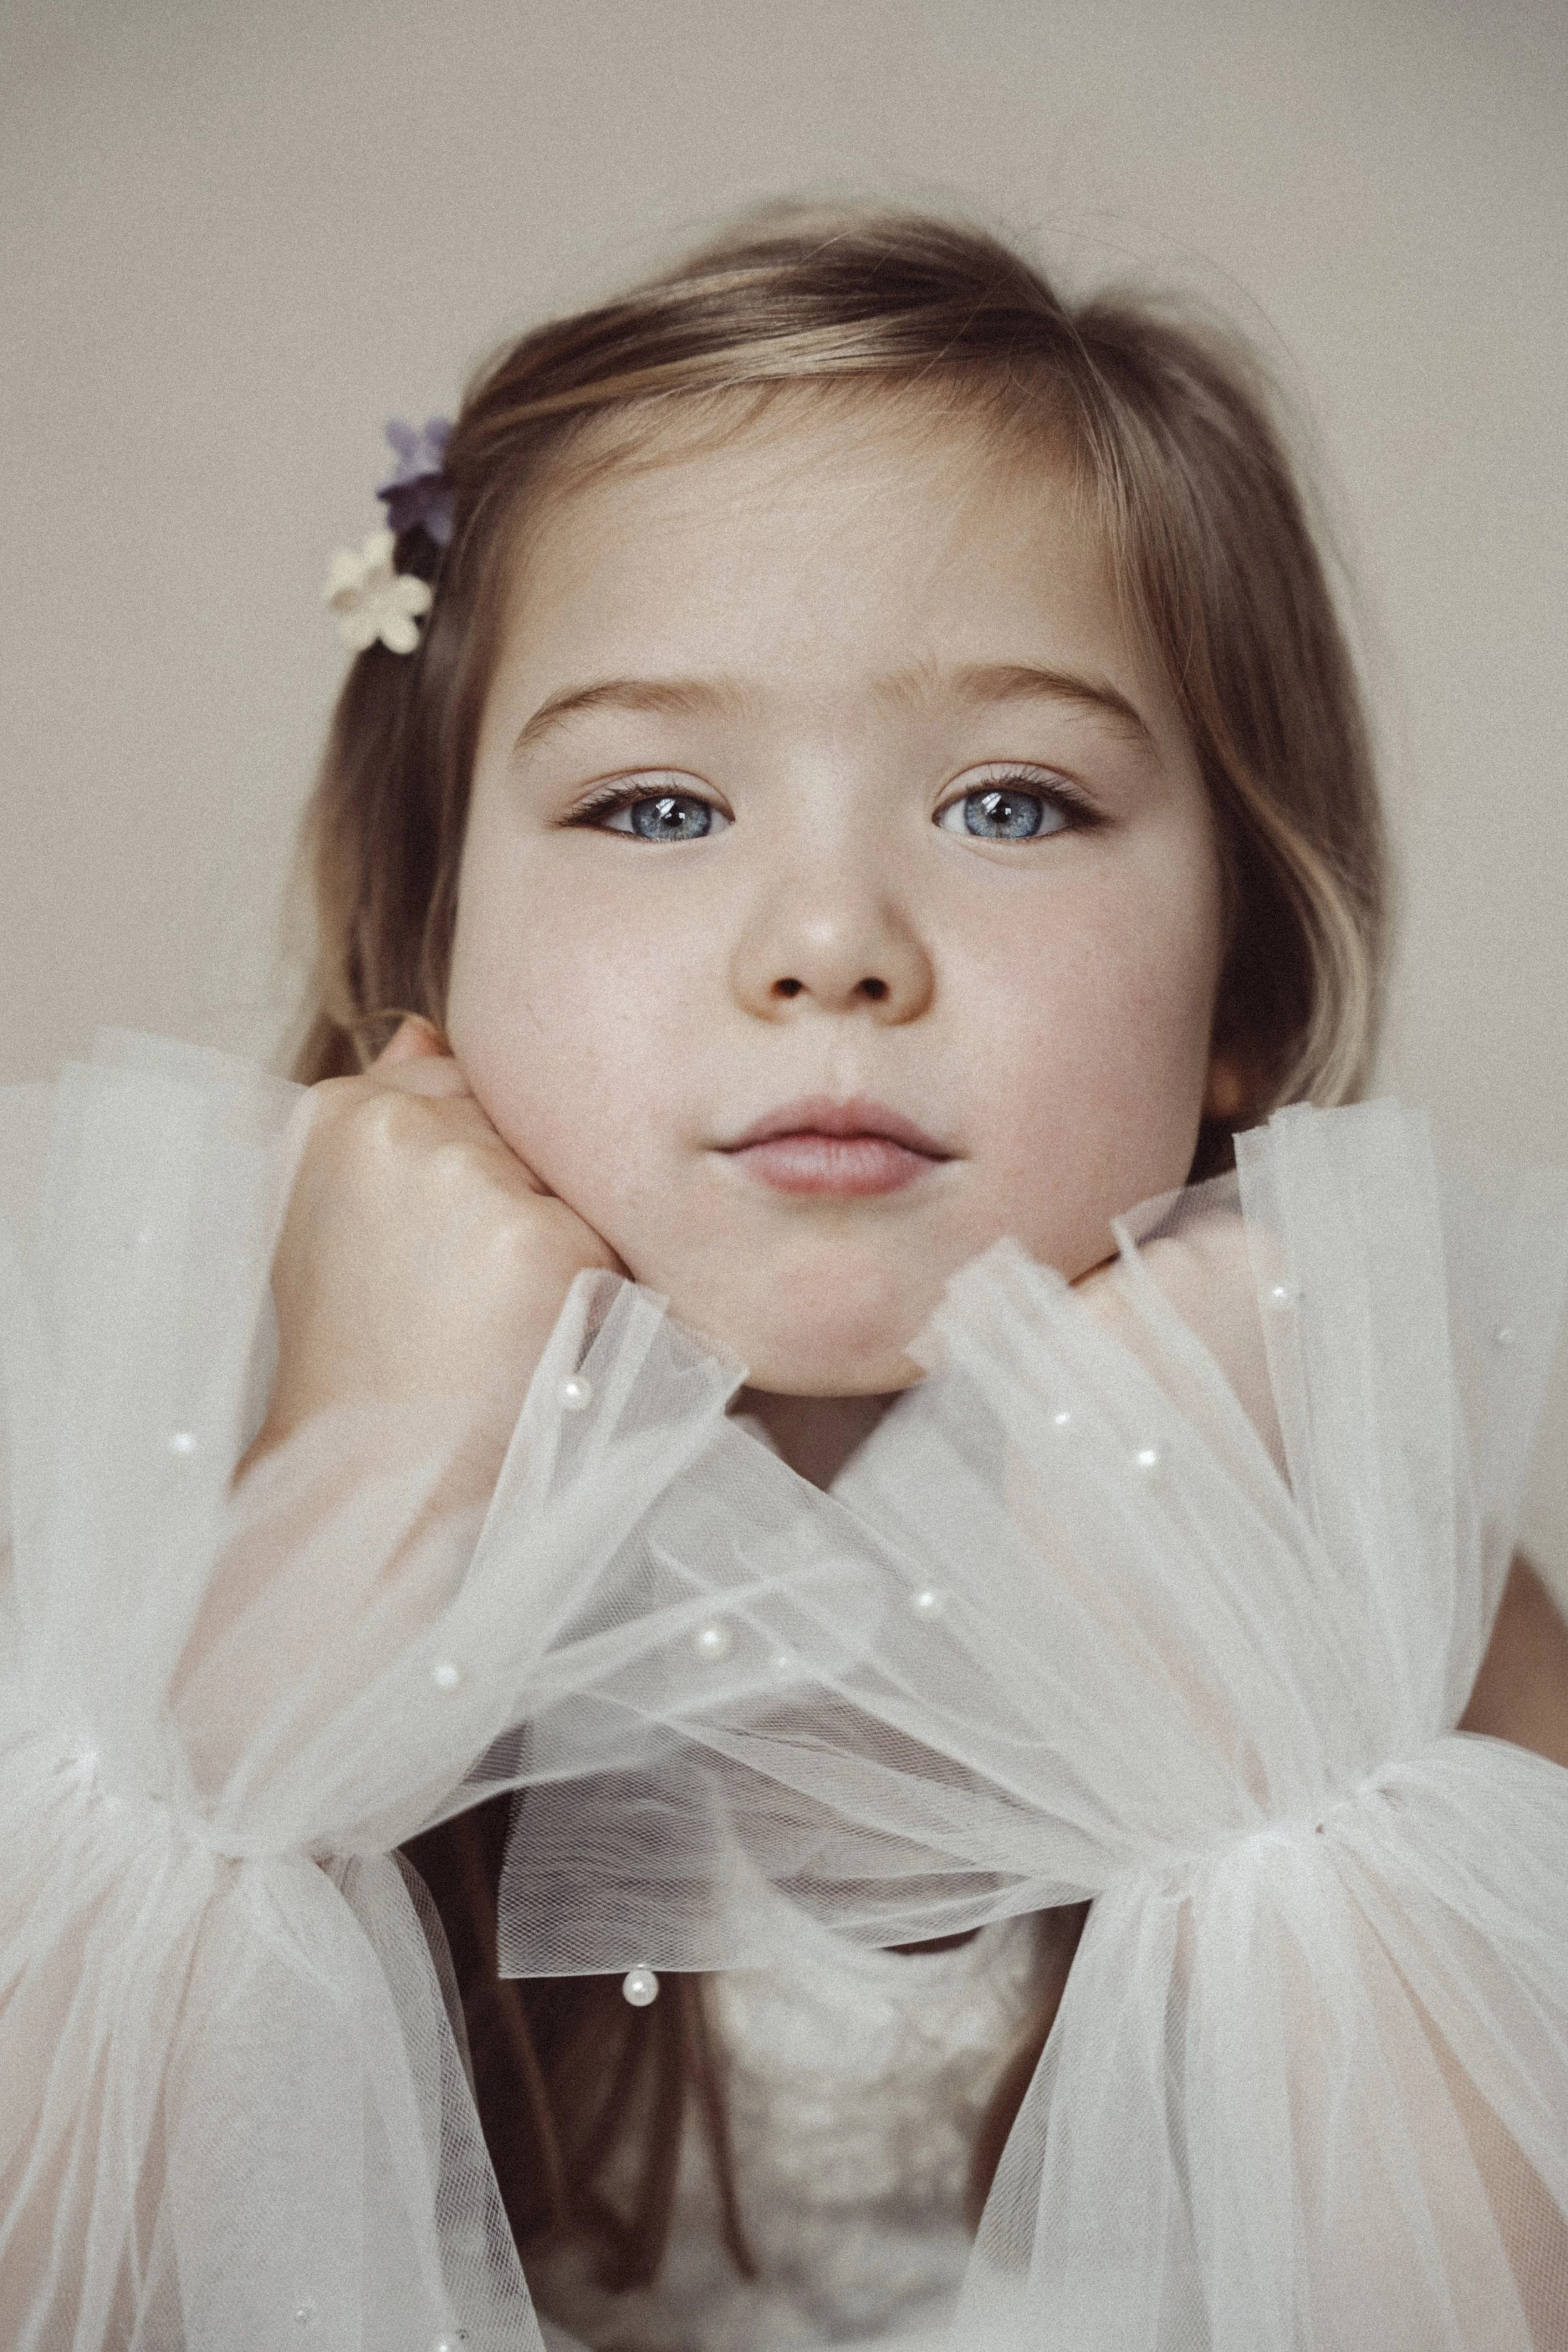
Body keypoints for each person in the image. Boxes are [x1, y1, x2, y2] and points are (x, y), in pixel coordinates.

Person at [2, 205, 1565, 2351]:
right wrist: (352, 1490)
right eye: (655, 807)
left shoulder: (1393, 1582)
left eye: (1011, 801)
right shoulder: (144, 1552)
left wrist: (1248, 1687)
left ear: (1246, 983)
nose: (827, 939)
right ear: (423, 954)